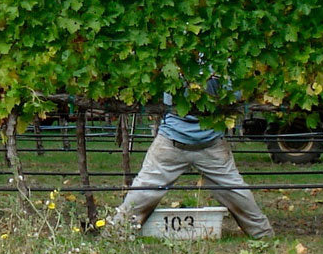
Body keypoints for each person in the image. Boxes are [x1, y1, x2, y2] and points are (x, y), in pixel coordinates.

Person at [110, 79, 274, 239]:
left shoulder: (176, 61)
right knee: (236, 191)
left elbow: (166, 97)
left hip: (187, 143)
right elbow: (235, 96)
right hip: (192, 143)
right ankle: (263, 234)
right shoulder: (217, 64)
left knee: (143, 192)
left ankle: (116, 234)